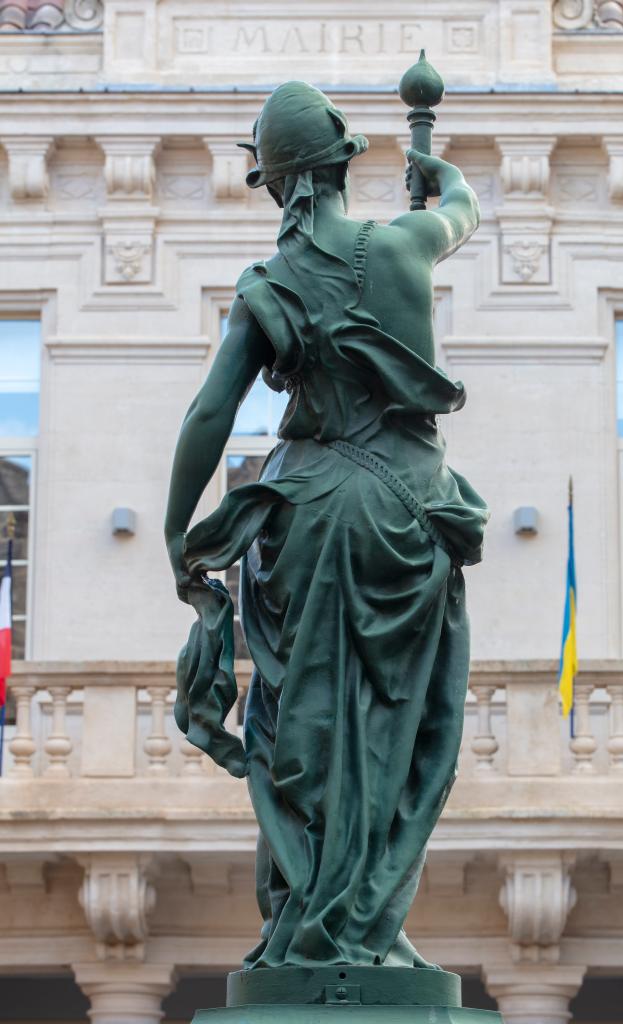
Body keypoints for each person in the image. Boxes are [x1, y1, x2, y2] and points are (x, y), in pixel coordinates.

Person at [164, 82, 488, 971]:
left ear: (277, 184)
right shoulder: (407, 242)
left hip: (305, 514)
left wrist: (175, 530)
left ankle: (312, 920)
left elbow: (210, 414)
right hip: (407, 515)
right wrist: (441, 170)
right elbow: (461, 210)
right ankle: (368, 924)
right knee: (397, 725)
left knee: (297, 727)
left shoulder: (268, 285)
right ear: (343, 165)